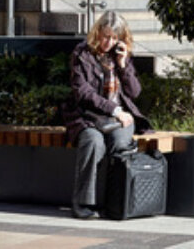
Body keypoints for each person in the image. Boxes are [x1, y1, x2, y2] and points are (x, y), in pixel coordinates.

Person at [59, 11, 149, 219]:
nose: (109, 42)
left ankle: (116, 202)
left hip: (118, 120)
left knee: (119, 144)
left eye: (115, 38)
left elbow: (134, 92)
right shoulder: (82, 54)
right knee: (93, 142)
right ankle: (83, 204)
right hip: (87, 116)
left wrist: (123, 64)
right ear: (97, 32)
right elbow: (83, 93)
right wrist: (115, 110)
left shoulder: (119, 55)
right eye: (106, 36)